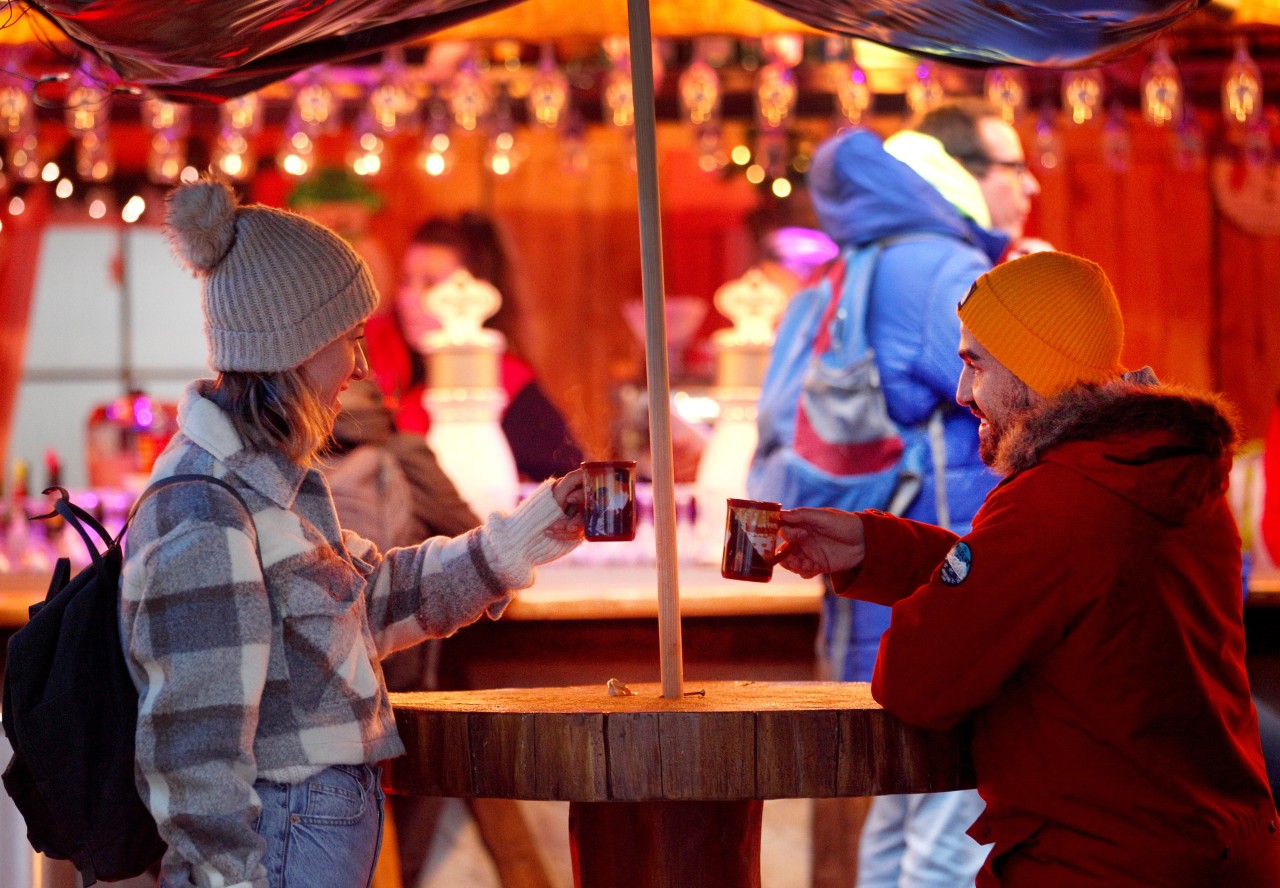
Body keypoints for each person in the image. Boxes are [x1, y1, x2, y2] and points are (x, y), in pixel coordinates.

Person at [120, 176, 587, 888]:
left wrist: (528, 534)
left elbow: (365, 603)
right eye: (349, 340)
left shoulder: (272, 477)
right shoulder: (203, 503)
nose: (363, 366)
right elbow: (193, 755)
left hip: (306, 833)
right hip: (279, 846)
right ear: (293, 348)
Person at [777, 251, 1280, 886]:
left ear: (1031, 366)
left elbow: (916, 681)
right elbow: (1051, 590)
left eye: (973, 363)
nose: (961, 393)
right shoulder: (1165, 470)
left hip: (1097, 865)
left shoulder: (1059, 497)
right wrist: (874, 549)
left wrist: (920, 587)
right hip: (1219, 850)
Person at [753, 98, 1041, 887]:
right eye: (1012, 167)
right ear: (958, 179)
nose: (1029, 184)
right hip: (946, 582)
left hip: (872, 584)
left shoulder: (847, 267)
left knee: (899, 810)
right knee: (952, 828)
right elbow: (1025, 399)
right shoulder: (943, 267)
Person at [366, 212, 584, 482]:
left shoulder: (508, 382)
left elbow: (570, 479)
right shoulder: (370, 351)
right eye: (406, 281)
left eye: (430, 283)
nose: (410, 298)